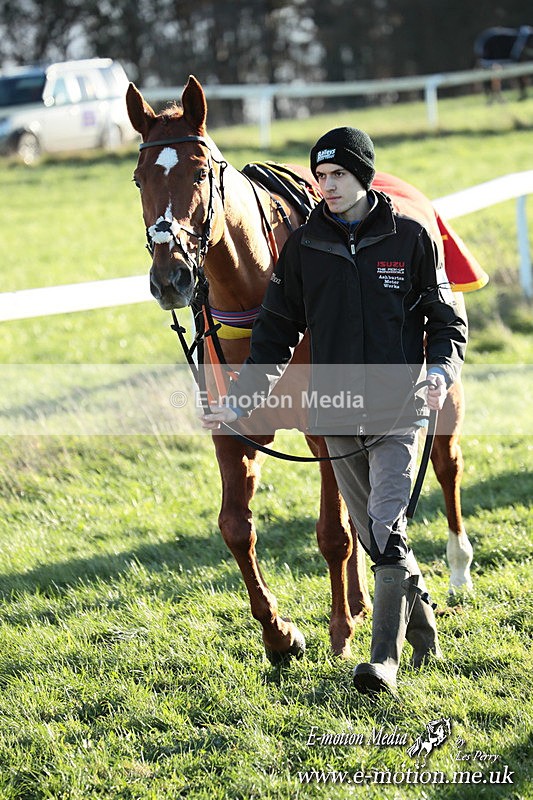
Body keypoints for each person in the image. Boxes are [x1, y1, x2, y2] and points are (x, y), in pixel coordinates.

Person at [202, 127, 467, 695]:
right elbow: (275, 332)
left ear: (363, 176)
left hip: (398, 409)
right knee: (376, 537)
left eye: (338, 176)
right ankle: (425, 632)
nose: (327, 187)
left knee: (383, 528)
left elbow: (446, 319)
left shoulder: (411, 236)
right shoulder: (305, 246)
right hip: (335, 414)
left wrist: (441, 371)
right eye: (320, 178)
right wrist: (244, 398)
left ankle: (384, 663)